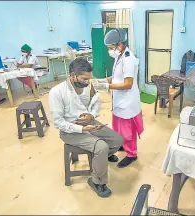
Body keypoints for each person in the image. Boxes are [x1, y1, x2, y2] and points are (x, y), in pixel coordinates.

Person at [48, 58, 123, 198]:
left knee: (118, 140)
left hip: (89, 122)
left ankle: (101, 159)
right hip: (70, 130)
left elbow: (96, 103)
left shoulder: (88, 86)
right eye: (84, 79)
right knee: (101, 147)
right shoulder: (57, 92)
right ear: (72, 75)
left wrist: (91, 114)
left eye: (89, 79)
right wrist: (82, 129)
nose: (87, 82)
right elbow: (58, 122)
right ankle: (97, 181)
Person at [93, 28, 144, 168]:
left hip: (127, 102)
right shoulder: (119, 57)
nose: (110, 50)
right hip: (119, 101)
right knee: (118, 127)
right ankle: (122, 145)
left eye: (111, 47)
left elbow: (128, 84)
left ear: (120, 44)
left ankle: (132, 154)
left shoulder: (128, 59)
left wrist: (108, 87)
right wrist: (103, 81)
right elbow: (116, 78)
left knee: (128, 130)